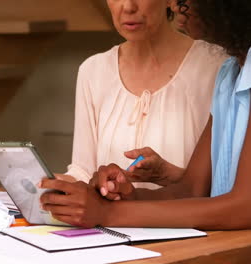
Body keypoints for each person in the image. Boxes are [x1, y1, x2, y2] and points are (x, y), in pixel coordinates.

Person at [40, 0, 251, 230]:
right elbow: (191, 190)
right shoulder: (230, 73)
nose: (176, 4)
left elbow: (243, 208)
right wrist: (127, 195)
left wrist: (107, 212)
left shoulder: (217, 70)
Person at [57, 0, 227, 192]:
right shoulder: (93, 70)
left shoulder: (217, 66)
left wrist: (167, 173)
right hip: (110, 221)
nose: (128, 7)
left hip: (187, 221)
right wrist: (47, 182)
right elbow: (84, 173)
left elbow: (229, 183)